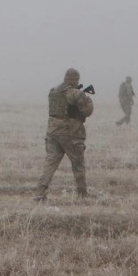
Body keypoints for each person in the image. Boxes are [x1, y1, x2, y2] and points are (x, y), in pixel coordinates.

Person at [35, 68, 94, 201]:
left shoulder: (53, 91)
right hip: (70, 133)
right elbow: (87, 111)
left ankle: (40, 193)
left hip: (53, 131)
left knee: (50, 163)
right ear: (75, 80)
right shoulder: (75, 94)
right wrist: (87, 99)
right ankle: (83, 195)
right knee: (78, 164)